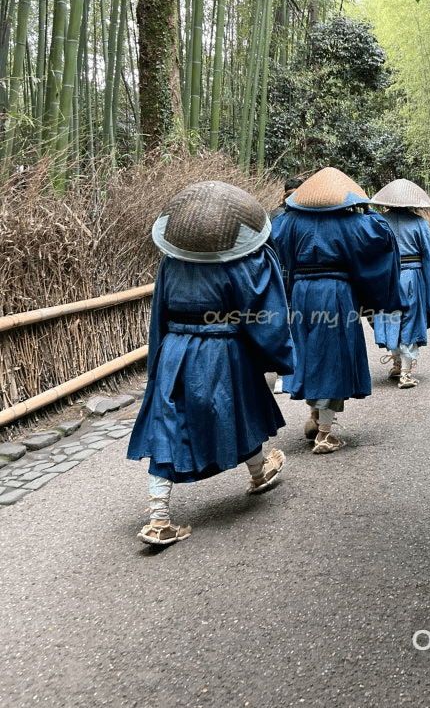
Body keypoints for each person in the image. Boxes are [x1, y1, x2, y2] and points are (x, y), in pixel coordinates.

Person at [127, 180, 295, 546]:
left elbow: (159, 314)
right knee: (239, 410)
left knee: (169, 424)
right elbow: (263, 313)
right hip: (223, 350)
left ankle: (159, 517)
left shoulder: (170, 264)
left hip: (175, 350)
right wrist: (279, 355)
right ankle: (258, 472)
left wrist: (158, 361)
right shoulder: (244, 264)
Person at [271, 166, 404, 453]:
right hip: (335, 292)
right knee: (333, 356)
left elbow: (274, 234)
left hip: (301, 293)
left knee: (310, 352)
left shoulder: (290, 221)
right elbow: (381, 233)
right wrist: (365, 207)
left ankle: (315, 415)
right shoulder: (350, 221)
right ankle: (324, 433)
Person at [370, 178, 430, 389]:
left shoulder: (379, 222)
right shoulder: (420, 223)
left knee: (390, 317)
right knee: (410, 319)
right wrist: (428, 281)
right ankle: (405, 374)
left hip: (387, 276)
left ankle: (397, 363)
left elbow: (371, 252)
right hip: (412, 276)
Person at [269, 176, 303, 393]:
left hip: (279, 272)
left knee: (283, 321)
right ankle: (291, 372)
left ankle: (284, 373)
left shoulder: (274, 215)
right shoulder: (301, 216)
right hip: (297, 273)